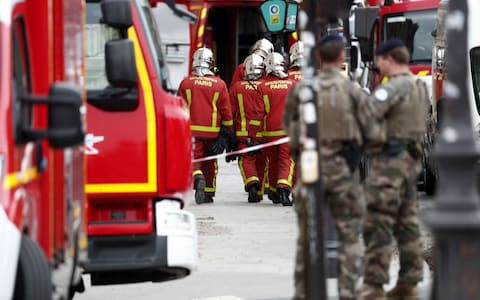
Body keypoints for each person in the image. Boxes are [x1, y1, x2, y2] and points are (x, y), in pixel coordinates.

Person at [285, 34, 369, 300]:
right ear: (342, 58)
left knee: (308, 238)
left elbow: (290, 128)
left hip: (311, 169)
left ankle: (305, 291)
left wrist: (302, 159)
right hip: (343, 170)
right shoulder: (353, 92)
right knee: (349, 237)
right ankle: (347, 291)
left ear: (318, 58)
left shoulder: (303, 90)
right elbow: (369, 131)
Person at [359, 39, 429, 300]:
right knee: (407, 224)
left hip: (388, 164)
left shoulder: (392, 89)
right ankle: (409, 282)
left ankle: (375, 285)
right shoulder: (419, 86)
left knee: (378, 223)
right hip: (411, 164)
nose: (377, 66)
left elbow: (366, 116)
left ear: (389, 58)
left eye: (379, 60)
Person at [178, 48, 234, 204]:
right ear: (211, 63)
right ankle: (209, 192)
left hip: (192, 131)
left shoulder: (186, 82)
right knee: (211, 162)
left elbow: (178, 106)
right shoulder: (220, 84)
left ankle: (198, 177)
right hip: (213, 132)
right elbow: (226, 111)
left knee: (194, 159)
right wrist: (228, 133)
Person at [258, 52, 295, 206]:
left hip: (269, 131)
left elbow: (259, 113)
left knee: (272, 161)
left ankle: (273, 190)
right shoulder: (293, 84)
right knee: (286, 159)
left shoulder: (262, 87)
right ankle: (284, 188)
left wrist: (255, 136)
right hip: (288, 130)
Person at [230, 53, 267, 203]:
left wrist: (228, 133)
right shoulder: (265, 86)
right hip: (262, 133)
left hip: (243, 133)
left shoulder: (237, 87)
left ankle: (251, 182)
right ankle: (260, 190)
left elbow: (230, 110)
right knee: (262, 160)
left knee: (245, 160)